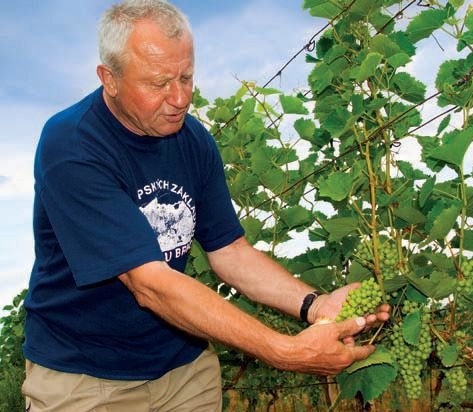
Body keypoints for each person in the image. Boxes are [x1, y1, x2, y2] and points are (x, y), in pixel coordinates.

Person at [22, 0, 390, 410]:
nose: (179, 98)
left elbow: (230, 251)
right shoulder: (72, 145)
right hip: (87, 376)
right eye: (159, 84)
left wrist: (316, 305)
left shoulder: (192, 139)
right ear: (109, 78)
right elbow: (150, 284)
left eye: (186, 76)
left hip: (185, 369)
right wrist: (286, 351)